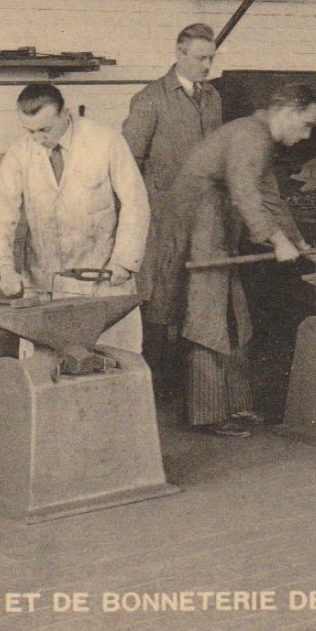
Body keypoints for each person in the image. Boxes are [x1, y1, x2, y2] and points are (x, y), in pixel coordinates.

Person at [153, 83, 316, 437]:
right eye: (305, 125)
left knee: (233, 315)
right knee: (209, 318)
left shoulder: (257, 136)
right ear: (288, 113)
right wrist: (276, 240)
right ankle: (209, 414)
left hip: (216, 228)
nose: (306, 135)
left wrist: (299, 241)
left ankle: (234, 405)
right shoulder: (251, 136)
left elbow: (270, 197)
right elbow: (245, 195)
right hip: (201, 230)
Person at [0, 83, 151, 353]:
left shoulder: (105, 141)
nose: (38, 139)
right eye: (30, 131)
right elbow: (0, 216)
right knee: (47, 377)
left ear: (65, 113)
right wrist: (3, 266)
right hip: (44, 284)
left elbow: (136, 202)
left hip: (104, 282)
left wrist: (123, 261)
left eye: (45, 129)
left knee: (112, 372)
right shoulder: (19, 153)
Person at [122, 23, 225, 399]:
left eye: (211, 58)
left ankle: (188, 387)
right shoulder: (149, 99)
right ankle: (153, 385)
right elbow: (129, 161)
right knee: (160, 297)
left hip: (205, 215)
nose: (207, 65)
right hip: (163, 217)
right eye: (200, 58)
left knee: (195, 297)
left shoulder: (212, 97)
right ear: (179, 54)